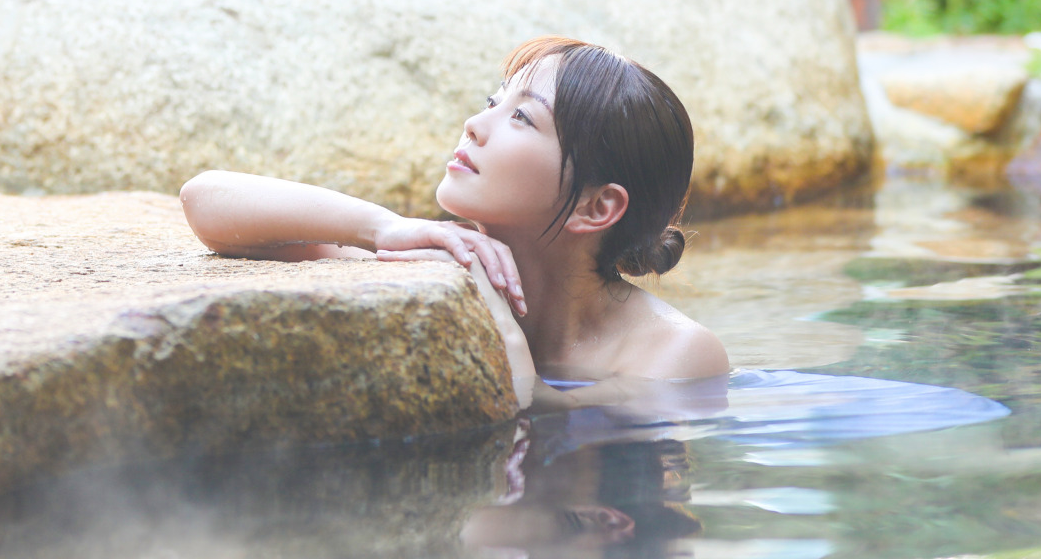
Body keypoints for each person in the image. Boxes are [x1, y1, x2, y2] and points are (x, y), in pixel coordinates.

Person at [180, 35, 729, 407]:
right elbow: (205, 201)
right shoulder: (438, 256)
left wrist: (506, 346)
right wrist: (382, 228)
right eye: (492, 101)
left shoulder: (676, 355)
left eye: (521, 116)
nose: (474, 124)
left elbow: (556, 442)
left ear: (597, 207)